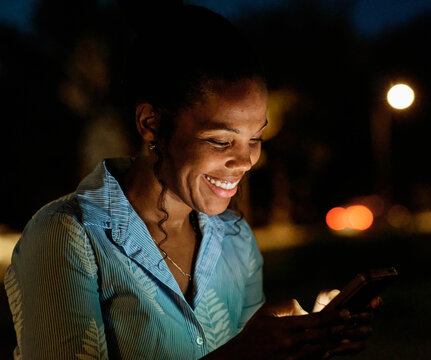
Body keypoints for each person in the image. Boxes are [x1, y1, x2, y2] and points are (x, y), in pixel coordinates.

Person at [4, 5, 378, 359]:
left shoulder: (235, 238)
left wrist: (306, 343)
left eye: (255, 139)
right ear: (151, 124)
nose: (246, 160)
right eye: (220, 140)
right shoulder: (69, 234)